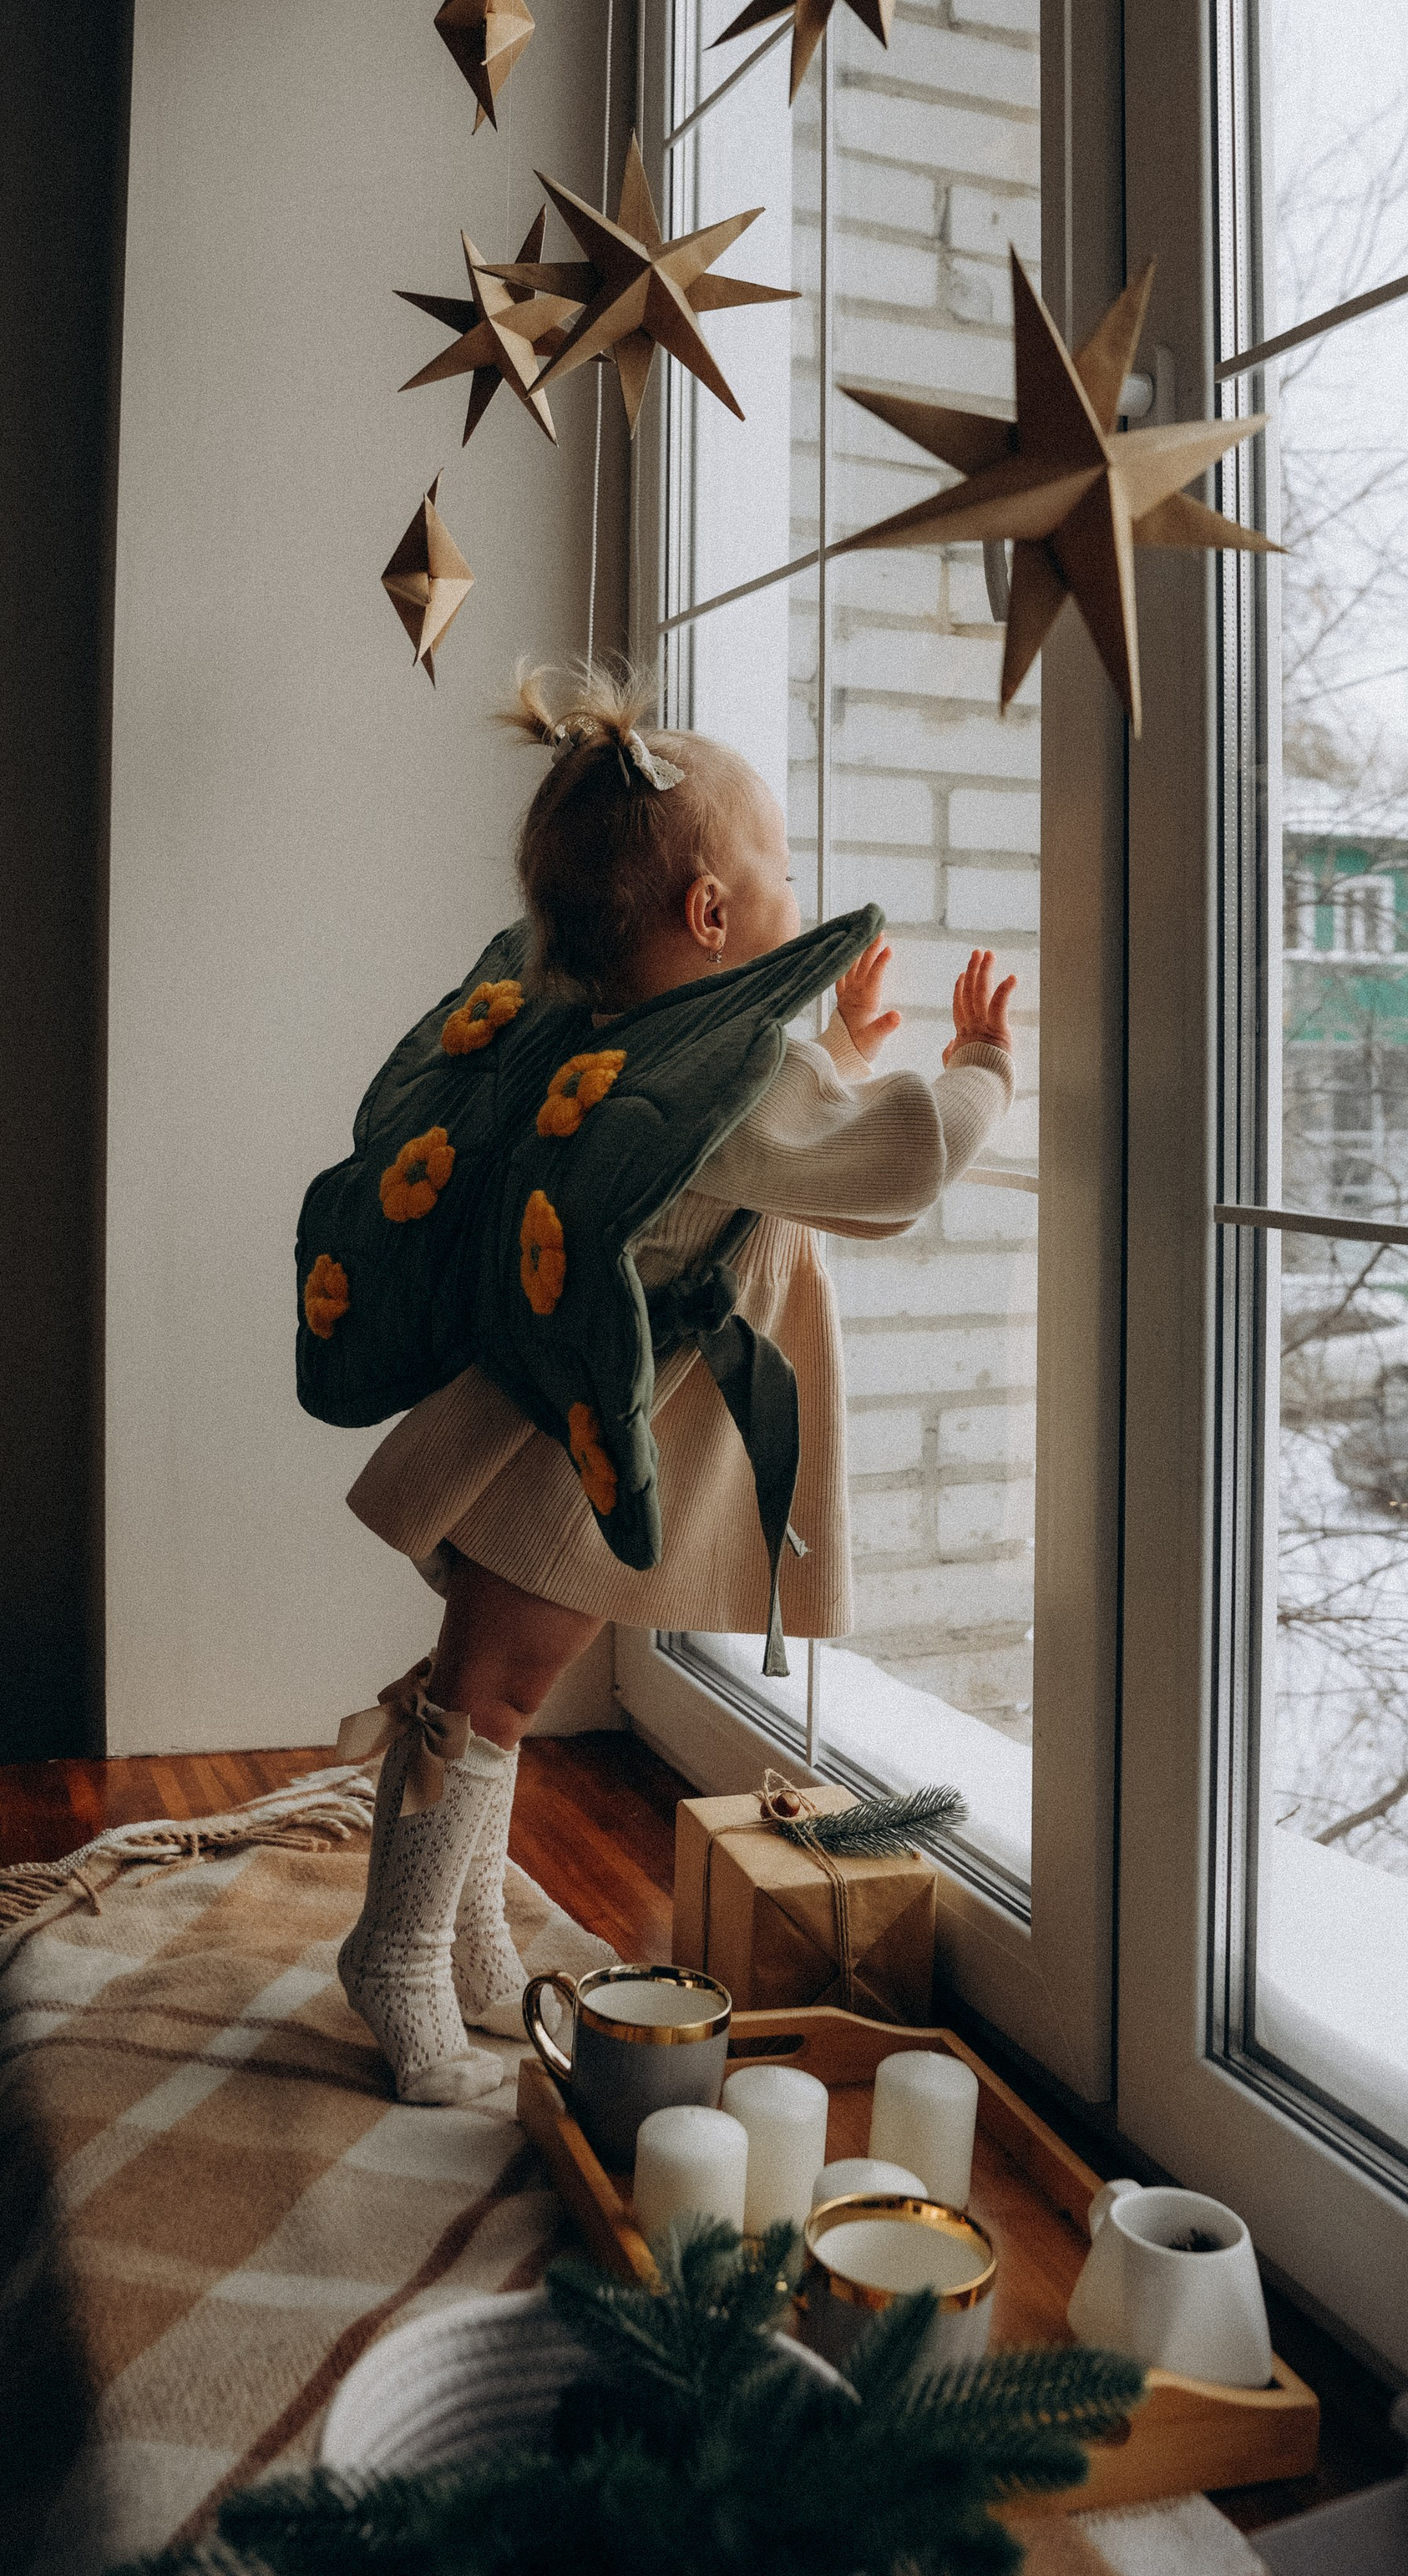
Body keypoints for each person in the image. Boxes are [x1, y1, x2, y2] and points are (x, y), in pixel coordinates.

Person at [337, 664, 1020, 2103]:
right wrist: (977, 1070)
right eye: (777, 870)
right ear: (712, 916)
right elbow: (884, 1167)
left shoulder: (595, 1033)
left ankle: (457, 1942)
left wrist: (833, 1049)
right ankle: (398, 1957)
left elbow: (733, 1162)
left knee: (489, 1691)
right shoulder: (727, 1072)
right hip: (582, 1444)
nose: (791, 889)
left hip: (533, 1421)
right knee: (485, 1698)